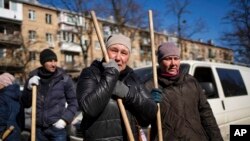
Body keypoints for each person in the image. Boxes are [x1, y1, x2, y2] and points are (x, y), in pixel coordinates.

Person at [76, 34, 158, 140]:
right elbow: (89, 109)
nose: (118, 58)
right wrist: (111, 75)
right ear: (105, 51)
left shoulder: (133, 78)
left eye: (124, 53)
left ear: (128, 56)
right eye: (114, 50)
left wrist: (128, 94)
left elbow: (150, 115)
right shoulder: (91, 73)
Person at [145, 42, 223, 141]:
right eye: (168, 59)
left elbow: (206, 114)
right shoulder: (150, 86)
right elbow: (143, 122)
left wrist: (217, 139)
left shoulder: (191, 81)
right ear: (160, 61)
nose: (173, 63)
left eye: (176, 58)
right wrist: (148, 105)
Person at [21, 49, 78, 141]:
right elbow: (26, 103)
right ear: (43, 63)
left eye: (55, 61)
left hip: (57, 128)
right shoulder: (33, 79)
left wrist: (64, 120)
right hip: (38, 129)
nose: (53, 64)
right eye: (50, 61)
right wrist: (28, 88)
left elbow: (74, 102)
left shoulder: (64, 79)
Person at [0, 73, 22, 141]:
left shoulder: (2, 97)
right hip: (16, 131)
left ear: (4, 83)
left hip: (5, 133)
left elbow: (2, 116)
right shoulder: (18, 96)